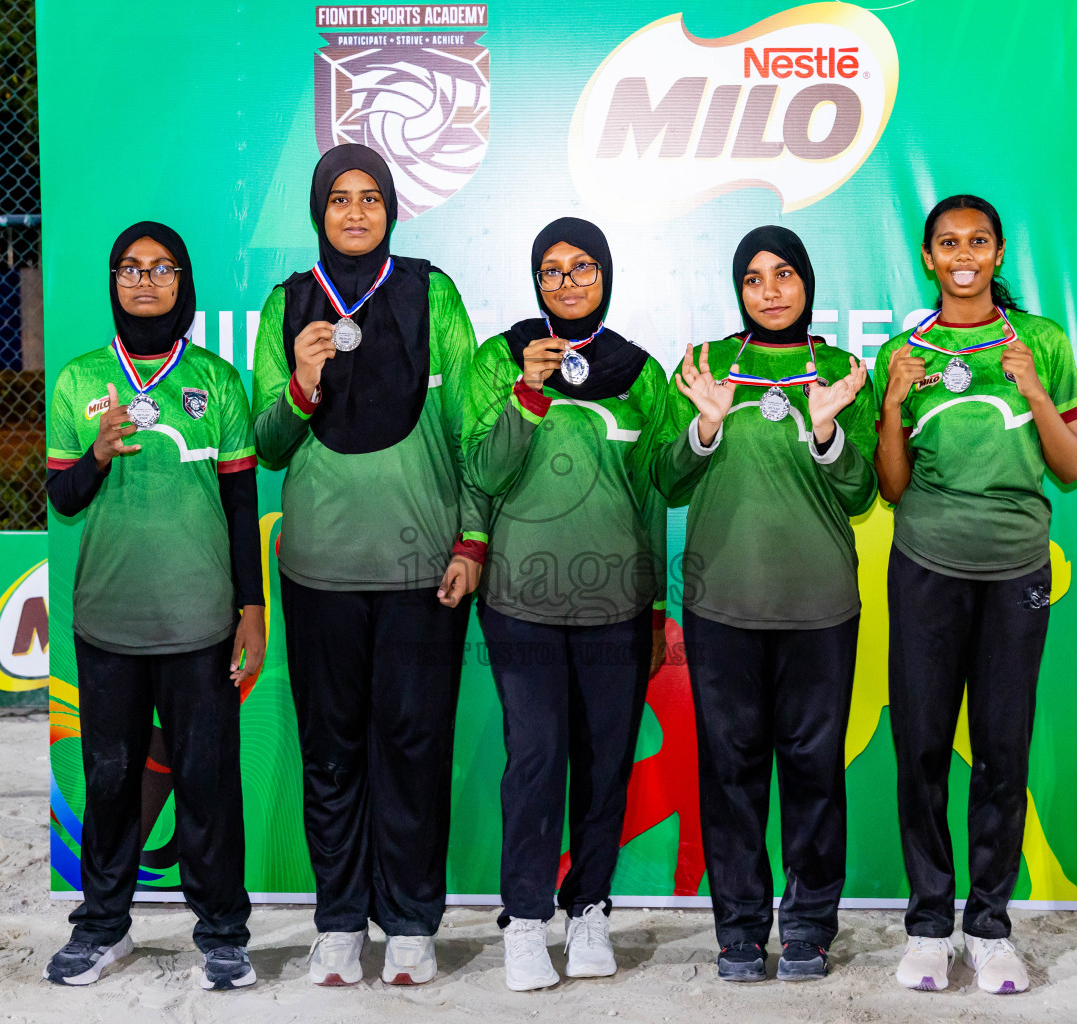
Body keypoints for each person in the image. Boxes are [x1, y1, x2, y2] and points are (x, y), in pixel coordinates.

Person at [249, 144, 488, 987]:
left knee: (415, 747)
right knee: (331, 751)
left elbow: (468, 426)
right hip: (320, 569)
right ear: (318, 210)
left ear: (392, 208)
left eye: (371, 198)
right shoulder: (287, 304)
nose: (355, 212)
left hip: (423, 568)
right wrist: (304, 383)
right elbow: (267, 444)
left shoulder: (433, 294)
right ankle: (341, 921)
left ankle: (413, 922)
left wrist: (471, 538)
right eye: (340, 199)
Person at [872, 195, 1077, 995]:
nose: (964, 253)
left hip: (1015, 573)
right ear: (928, 258)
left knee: (1002, 751)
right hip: (926, 567)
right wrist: (892, 404)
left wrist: (1033, 392)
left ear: (999, 253)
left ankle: (990, 928)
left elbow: (1069, 468)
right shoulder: (904, 352)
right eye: (948, 243)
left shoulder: (1043, 343)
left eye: (979, 241)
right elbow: (889, 485)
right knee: (922, 748)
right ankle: (930, 925)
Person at [650, 226, 877, 983]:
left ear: (807, 283)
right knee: (731, 772)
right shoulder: (707, 365)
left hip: (819, 608)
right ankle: (740, 928)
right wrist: (705, 425)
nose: (771, 290)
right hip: (724, 608)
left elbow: (861, 491)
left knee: (814, 769)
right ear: (739, 289)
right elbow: (669, 478)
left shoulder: (844, 371)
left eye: (784, 274)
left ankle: (810, 924)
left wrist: (826, 430)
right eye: (754, 278)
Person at [44, 221, 263, 990]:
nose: (145, 281)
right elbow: (64, 497)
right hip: (109, 622)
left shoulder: (218, 381)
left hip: (201, 623)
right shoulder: (78, 381)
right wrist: (97, 453)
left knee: (208, 779)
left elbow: (242, 506)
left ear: (183, 281)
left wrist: (252, 609)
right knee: (109, 777)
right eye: (130, 269)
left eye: (161, 268)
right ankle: (102, 927)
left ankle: (224, 932)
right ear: (112, 282)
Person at [461, 217, 669, 992]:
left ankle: (589, 910)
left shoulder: (639, 372)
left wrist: (652, 607)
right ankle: (524, 919)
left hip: (616, 603)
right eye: (551, 269)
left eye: (582, 267)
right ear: (535, 280)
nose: (567, 281)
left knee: (606, 761)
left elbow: (654, 494)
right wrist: (529, 390)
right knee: (538, 757)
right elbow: (481, 467)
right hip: (522, 599)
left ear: (605, 276)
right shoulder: (501, 356)